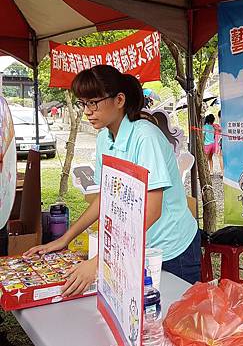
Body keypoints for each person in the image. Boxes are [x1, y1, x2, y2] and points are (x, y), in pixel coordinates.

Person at [25, 65, 201, 295]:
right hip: (134, 245)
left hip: (171, 248)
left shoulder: (145, 137)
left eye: (93, 102)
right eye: (83, 103)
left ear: (119, 100)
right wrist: (65, 238)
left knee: (171, 317)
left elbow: (152, 211)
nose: (87, 111)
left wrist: (100, 261)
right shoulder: (103, 140)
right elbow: (105, 197)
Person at [215, 110, 223, 176]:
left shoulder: (221, 120)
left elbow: (221, 130)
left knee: (220, 156)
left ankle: (222, 172)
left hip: (223, 139)